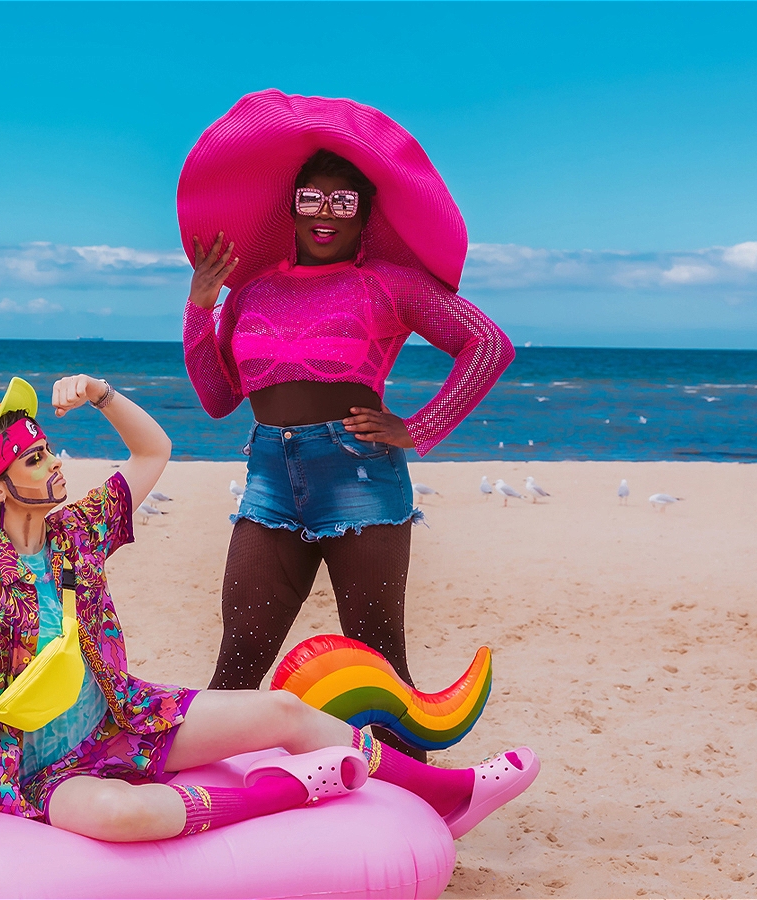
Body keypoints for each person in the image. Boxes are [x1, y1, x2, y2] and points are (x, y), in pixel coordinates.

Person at [0, 374, 535, 849]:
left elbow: (153, 452)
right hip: (40, 769)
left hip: (128, 722)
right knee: (123, 818)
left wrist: (102, 394)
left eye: (48, 449)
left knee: (280, 709)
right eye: (35, 457)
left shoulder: (79, 530)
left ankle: (452, 794)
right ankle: (290, 789)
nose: (55, 463)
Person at [183, 110, 513, 763]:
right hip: (269, 479)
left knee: (380, 664)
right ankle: (206, 816)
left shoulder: (388, 284)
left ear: (365, 215)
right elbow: (220, 400)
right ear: (293, 210)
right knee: (237, 662)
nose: (326, 212)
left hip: (359, 475)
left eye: (344, 200)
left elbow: (487, 345)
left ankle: (420, 809)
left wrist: (416, 429)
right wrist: (201, 307)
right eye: (312, 199)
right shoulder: (251, 291)